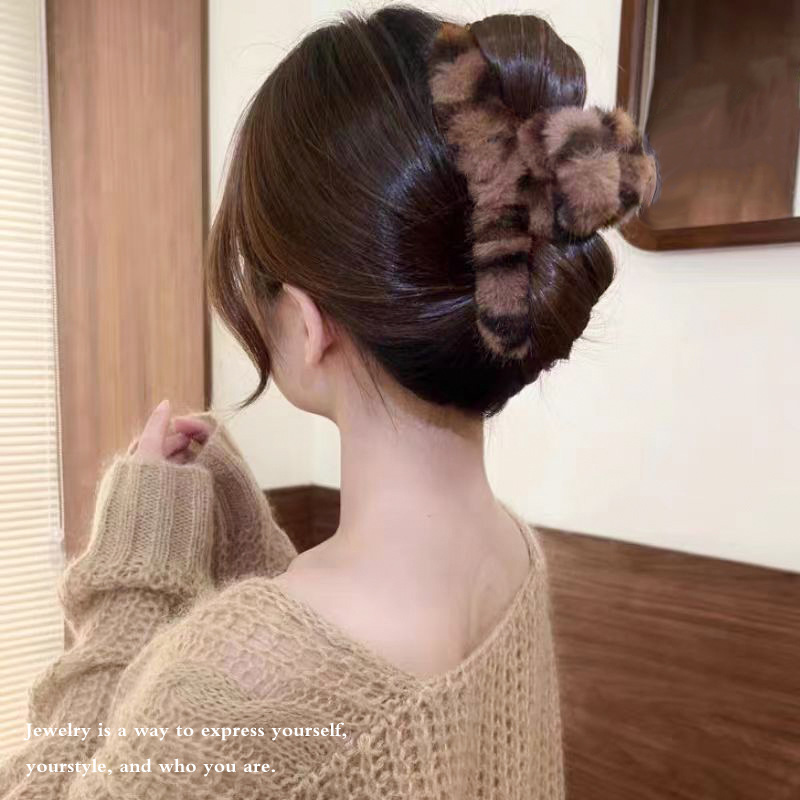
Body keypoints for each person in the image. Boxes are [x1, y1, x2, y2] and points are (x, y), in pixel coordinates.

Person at [0, 5, 657, 798]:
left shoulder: (231, 680)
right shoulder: (510, 556)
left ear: (308, 324)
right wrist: (241, 524)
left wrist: (133, 590)